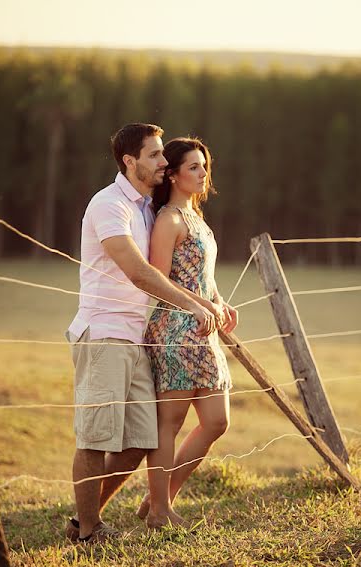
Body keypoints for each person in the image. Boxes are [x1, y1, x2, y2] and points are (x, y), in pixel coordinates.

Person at [64, 124, 218, 544]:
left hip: (136, 338)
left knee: (141, 439)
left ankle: (85, 519)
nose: (163, 162)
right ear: (129, 162)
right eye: (153, 155)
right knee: (97, 437)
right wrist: (192, 304)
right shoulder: (108, 205)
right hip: (105, 333)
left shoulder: (147, 208)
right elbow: (138, 272)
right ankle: (89, 531)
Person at [137, 137, 238, 528]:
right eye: (193, 167)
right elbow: (158, 281)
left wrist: (220, 302)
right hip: (175, 330)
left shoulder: (197, 219)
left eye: (203, 166)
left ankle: (157, 498)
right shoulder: (168, 220)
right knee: (171, 424)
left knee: (216, 421)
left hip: (204, 328)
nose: (202, 173)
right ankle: (161, 512)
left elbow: (202, 278)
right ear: (174, 175)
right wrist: (202, 305)